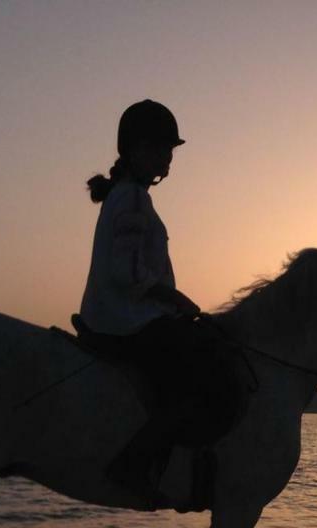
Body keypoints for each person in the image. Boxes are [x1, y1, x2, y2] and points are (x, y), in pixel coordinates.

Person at [80, 100, 203, 501]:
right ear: (133, 150)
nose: (167, 157)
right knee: (191, 381)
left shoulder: (127, 195)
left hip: (122, 314)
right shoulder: (132, 199)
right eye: (160, 148)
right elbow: (128, 274)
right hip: (125, 318)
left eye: (169, 149)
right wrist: (176, 298)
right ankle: (134, 463)